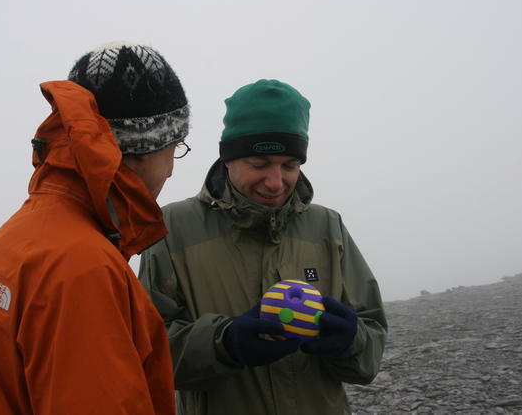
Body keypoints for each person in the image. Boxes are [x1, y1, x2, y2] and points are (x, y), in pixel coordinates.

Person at [0, 41, 191, 415]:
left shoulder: (5, 243)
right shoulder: (83, 268)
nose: (172, 169)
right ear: (143, 149)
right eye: (175, 147)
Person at [139, 79, 388, 414]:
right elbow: (144, 352)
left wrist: (351, 341)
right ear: (227, 159)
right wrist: (223, 344)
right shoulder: (172, 228)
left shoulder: (328, 226)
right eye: (259, 165)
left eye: (289, 166)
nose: (275, 182)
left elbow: (371, 346)